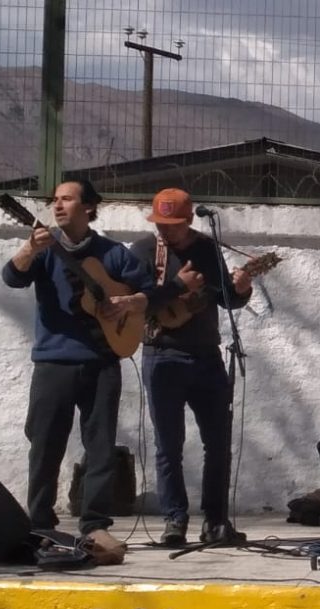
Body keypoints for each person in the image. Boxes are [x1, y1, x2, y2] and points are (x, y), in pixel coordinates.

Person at [1, 179, 170, 565]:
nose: (58, 206)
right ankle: (40, 524)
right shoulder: (44, 250)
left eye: (68, 199)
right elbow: (11, 278)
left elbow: (154, 294)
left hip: (102, 362)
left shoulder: (113, 254)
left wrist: (126, 302)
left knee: (100, 448)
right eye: (55, 200)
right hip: (53, 363)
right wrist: (29, 248)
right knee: (44, 446)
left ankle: (95, 524)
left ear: (89, 207)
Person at [128, 188, 254, 546]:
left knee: (218, 442)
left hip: (205, 355)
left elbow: (225, 299)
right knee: (169, 444)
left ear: (188, 221)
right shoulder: (143, 251)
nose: (165, 230)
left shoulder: (207, 249)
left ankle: (215, 521)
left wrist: (242, 289)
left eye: (172, 224)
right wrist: (175, 287)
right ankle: (174, 520)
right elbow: (138, 303)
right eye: (160, 223)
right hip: (161, 354)